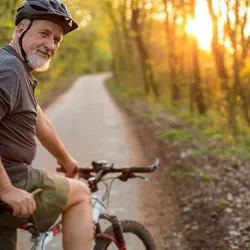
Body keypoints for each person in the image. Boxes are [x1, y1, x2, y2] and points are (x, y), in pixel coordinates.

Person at [0, 0, 93, 249]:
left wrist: (66, 160)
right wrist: (7, 189)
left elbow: (39, 120)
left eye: (57, 39)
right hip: (11, 180)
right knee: (81, 194)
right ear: (20, 29)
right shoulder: (9, 71)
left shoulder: (17, 69)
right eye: (44, 33)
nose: (51, 45)